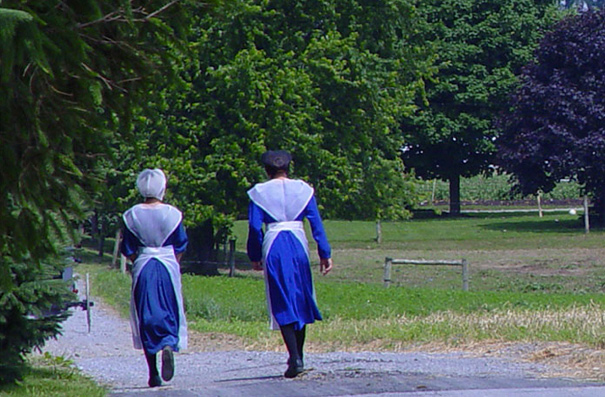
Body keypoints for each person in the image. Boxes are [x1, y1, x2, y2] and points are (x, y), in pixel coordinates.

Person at [246, 150, 333, 378]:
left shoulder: (259, 193)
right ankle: (300, 356)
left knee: (282, 299)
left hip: (274, 243)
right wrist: (324, 252)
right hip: (297, 243)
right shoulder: (303, 190)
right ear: (288, 167)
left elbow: (255, 228)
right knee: (300, 297)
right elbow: (316, 223)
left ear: (267, 170)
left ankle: (293, 355)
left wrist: (255, 254)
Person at [120, 169, 188, 388]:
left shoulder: (131, 215)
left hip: (144, 264)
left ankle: (153, 372)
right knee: (169, 307)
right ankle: (168, 343)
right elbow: (181, 243)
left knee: (146, 314)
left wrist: (137, 259)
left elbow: (127, 248)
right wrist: (173, 259)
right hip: (167, 263)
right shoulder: (172, 214)